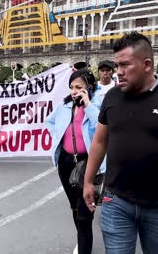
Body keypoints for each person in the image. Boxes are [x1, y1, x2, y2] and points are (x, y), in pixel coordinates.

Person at [83, 32, 158, 254]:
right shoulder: (112, 97)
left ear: (147, 64)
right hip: (115, 201)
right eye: (117, 65)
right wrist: (88, 181)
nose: (118, 72)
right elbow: (100, 142)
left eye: (125, 65)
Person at [46, 69, 106, 254]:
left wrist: (87, 105)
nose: (74, 91)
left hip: (88, 163)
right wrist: (58, 138)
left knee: (84, 213)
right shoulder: (65, 105)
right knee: (74, 207)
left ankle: (84, 244)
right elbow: (50, 121)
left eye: (79, 87)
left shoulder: (98, 104)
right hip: (65, 162)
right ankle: (83, 237)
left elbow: (103, 127)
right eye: (72, 87)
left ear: (90, 87)